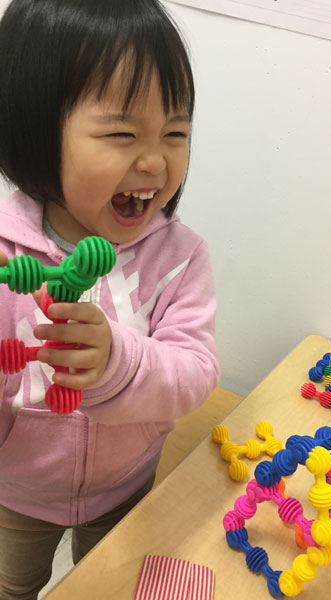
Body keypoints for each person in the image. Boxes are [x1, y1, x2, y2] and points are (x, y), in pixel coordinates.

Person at [0, 0, 220, 598]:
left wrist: (116, 362)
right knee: (13, 585)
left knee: (109, 584)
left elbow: (196, 373)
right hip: (16, 489)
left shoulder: (178, 257)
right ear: (38, 131)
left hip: (126, 483)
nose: (155, 160)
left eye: (176, 133)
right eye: (122, 133)